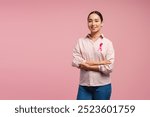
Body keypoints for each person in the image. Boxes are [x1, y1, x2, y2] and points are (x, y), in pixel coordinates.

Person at [72, 11, 115, 100]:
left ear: (102, 23)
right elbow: (75, 61)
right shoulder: (81, 42)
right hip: (84, 86)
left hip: (103, 86)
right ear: (87, 23)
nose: (93, 24)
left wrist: (87, 66)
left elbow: (109, 67)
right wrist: (101, 63)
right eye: (90, 21)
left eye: (96, 21)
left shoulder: (108, 43)